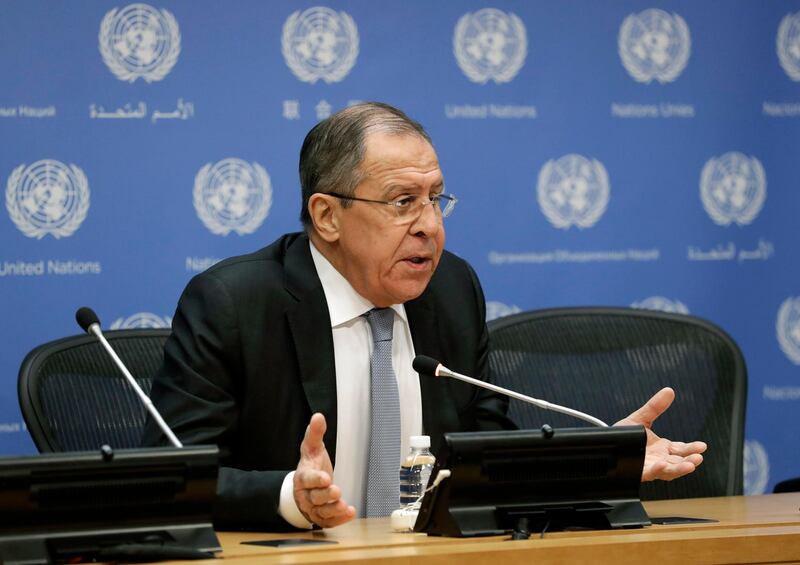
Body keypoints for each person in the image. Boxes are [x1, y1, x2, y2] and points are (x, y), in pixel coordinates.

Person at [143, 102, 706, 531]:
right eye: (402, 202)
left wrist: (604, 462)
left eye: (436, 198)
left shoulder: (451, 289)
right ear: (327, 216)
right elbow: (173, 478)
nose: (430, 226)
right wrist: (292, 495)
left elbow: (491, 463)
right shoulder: (234, 304)